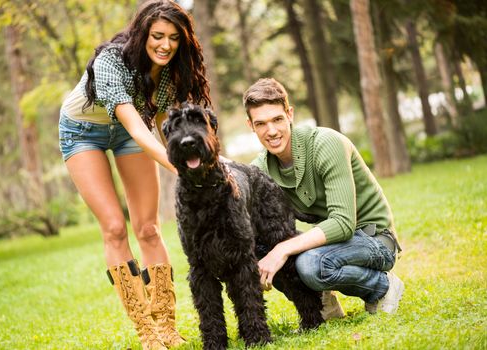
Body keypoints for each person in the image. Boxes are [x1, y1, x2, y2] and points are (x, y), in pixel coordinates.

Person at [58, 1, 211, 349]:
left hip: (131, 131)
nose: (165, 45)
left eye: (174, 38)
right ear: (142, 34)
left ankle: (167, 326)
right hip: (83, 132)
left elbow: (163, 128)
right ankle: (147, 331)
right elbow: (139, 130)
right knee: (114, 227)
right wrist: (181, 170)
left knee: (148, 227)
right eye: (158, 36)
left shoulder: (172, 72)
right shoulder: (111, 61)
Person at [243, 78, 404, 320]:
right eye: (261, 123)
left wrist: (283, 249)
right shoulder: (261, 169)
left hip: (375, 239)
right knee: (258, 247)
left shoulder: (326, 144)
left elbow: (343, 222)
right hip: (334, 244)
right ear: (250, 126)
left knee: (310, 265)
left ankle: (382, 287)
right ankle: (324, 306)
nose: (272, 131)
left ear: (290, 114)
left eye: (277, 119)